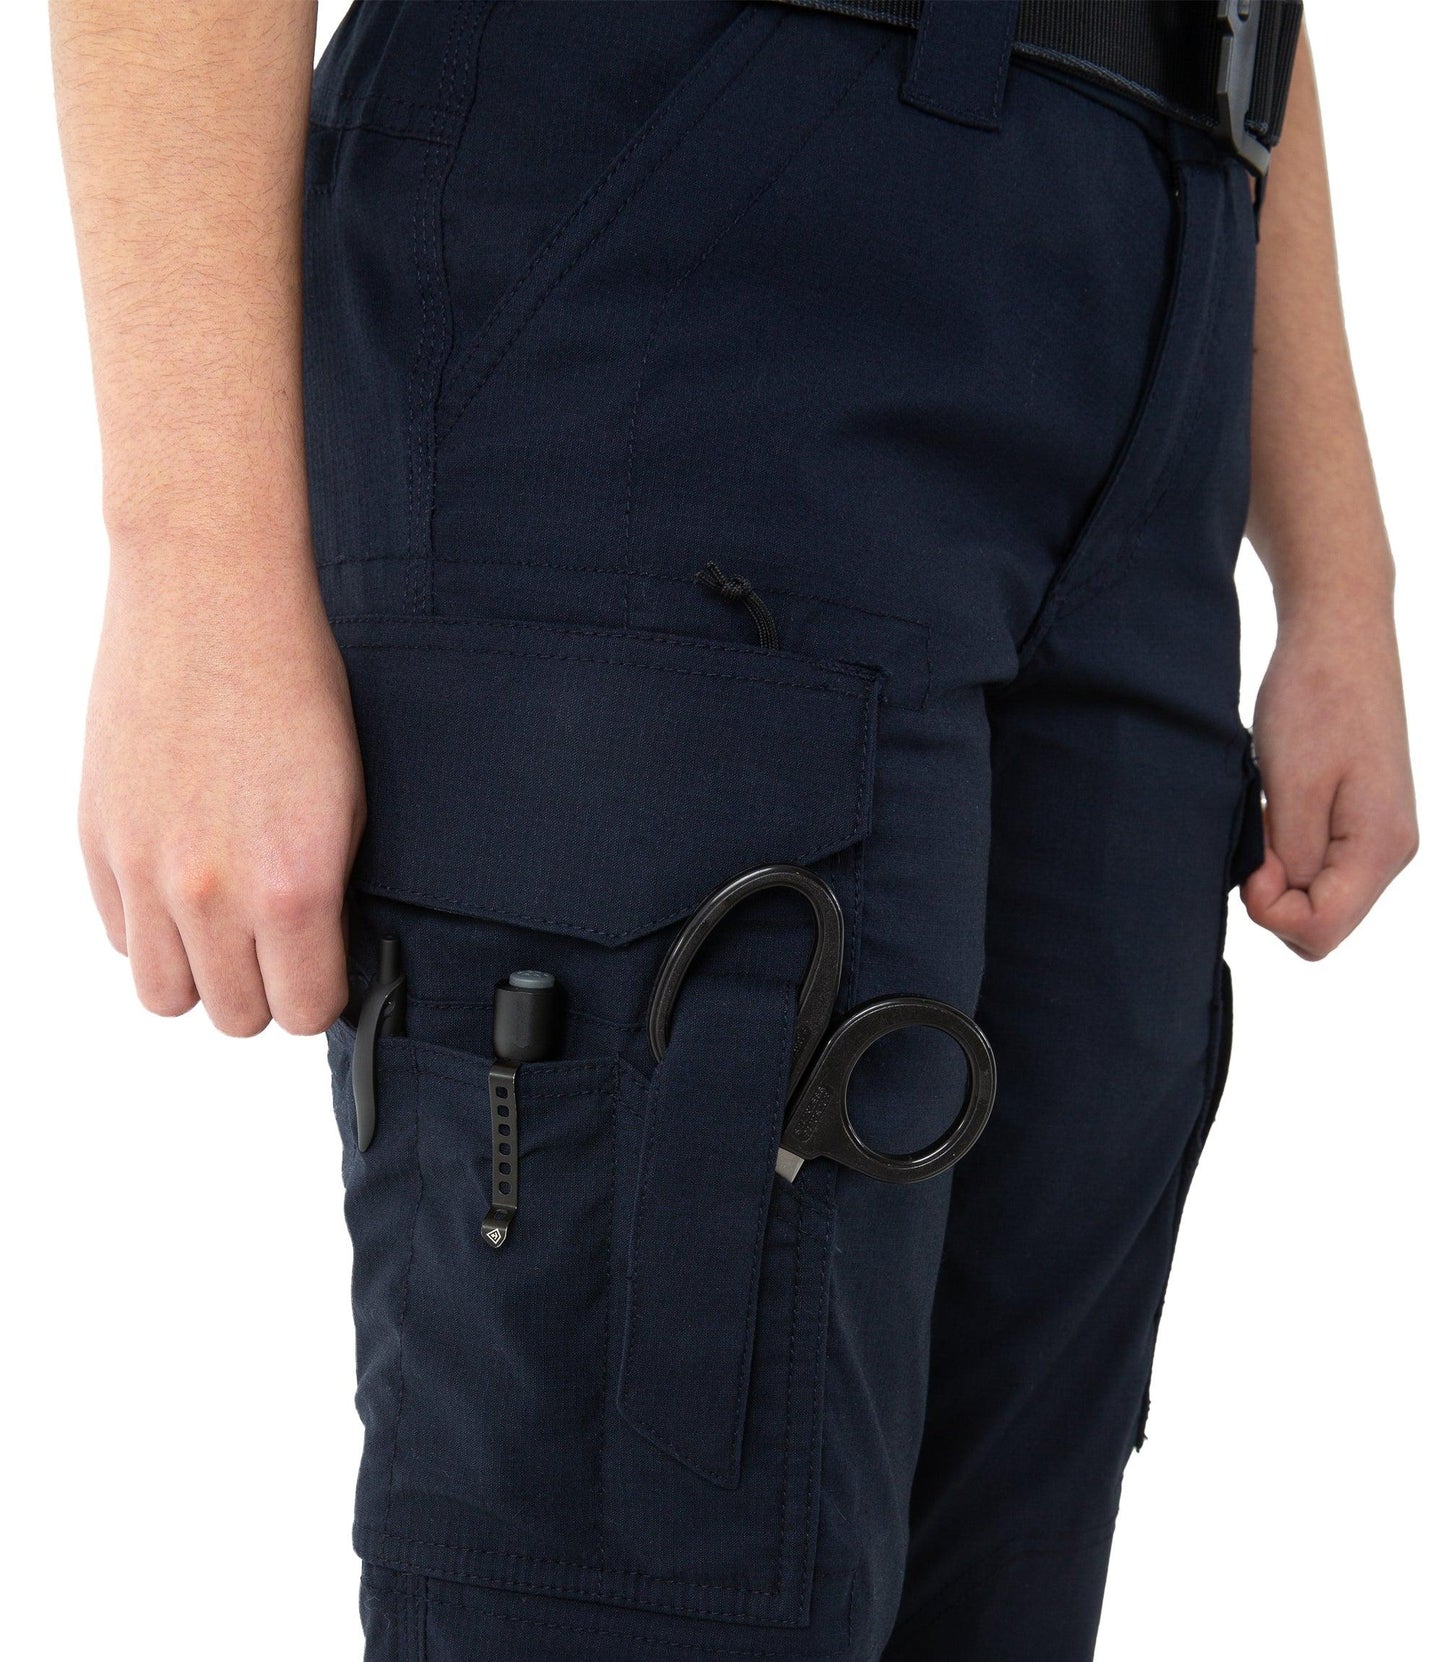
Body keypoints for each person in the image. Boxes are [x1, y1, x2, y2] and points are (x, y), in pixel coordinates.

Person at [51, 2, 1416, 1658]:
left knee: (997, 1573)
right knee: (654, 1570)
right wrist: (190, 549)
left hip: (1159, 260)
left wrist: (1336, 564)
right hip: (674, 223)